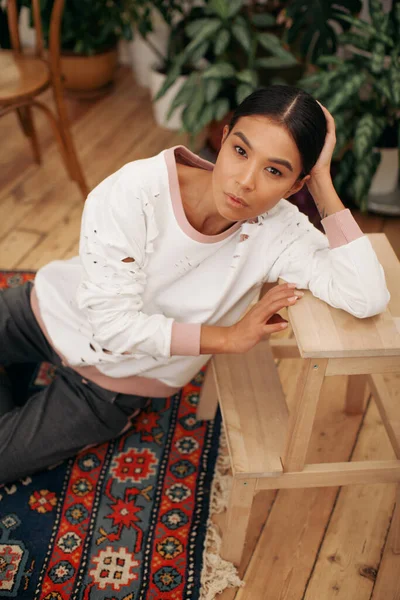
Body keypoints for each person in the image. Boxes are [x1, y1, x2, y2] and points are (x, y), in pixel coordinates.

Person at [0, 86, 390, 484]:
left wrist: (322, 183)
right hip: (43, 311)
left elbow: (366, 296)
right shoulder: (136, 190)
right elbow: (110, 324)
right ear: (222, 140)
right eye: (240, 151)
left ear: (294, 186)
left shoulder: (281, 231)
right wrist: (228, 338)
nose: (244, 181)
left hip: (108, 389)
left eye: (274, 171)